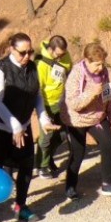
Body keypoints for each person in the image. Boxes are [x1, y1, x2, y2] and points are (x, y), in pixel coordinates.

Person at [0, 32, 53, 222]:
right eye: (22, 52)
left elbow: (36, 95)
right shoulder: (0, 69)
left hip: (23, 126)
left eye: (30, 52)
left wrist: (43, 118)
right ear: (11, 49)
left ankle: (20, 205)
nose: (27, 57)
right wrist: (14, 125)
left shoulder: (33, 67)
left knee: (26, 165)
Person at [60, 41, 111, 199]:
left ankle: (108, 184)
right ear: (86, 60)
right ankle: (70, 186)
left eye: (102, 64)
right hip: (76, 119)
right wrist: (91, 93)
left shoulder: (104, 72)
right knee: (78, 153)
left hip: (97, 116)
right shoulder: (76, 74)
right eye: (96, 64)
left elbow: (107, 92)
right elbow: (73, 103)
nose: (100, 68)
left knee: (109, 144)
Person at [35, 35, 72, 179]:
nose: (60, 57)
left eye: (63, 54)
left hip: (62, 101)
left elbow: (67, 69)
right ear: (50, 49)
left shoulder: (64, 56)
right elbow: (39, 88)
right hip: (47, 104)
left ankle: (48, 157)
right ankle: (42, 165)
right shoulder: (41, 64)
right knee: (47, 136)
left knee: (62, 133)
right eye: (58, 54)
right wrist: (42, 110)